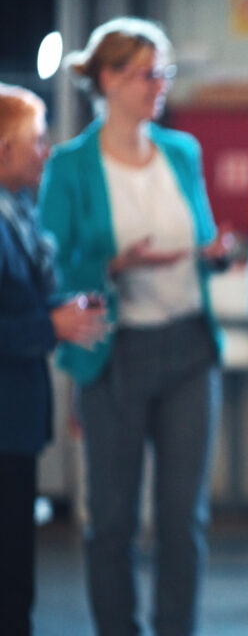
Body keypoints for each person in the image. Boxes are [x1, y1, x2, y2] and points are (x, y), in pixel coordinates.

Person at [38, 17, 228, 636]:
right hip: (113, 354)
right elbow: (53, 265)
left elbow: (199, 234)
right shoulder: (69, 165)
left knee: (183, 519)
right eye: (150, 74)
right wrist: (114, 264)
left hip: (188, 346)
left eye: (165, 72)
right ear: (110, 79)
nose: (161, 85)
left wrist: (213, 252)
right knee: (112, 520)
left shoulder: (182, 151)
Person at [0, 83, 107, 636]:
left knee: (16, 573)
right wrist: (50, 326)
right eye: (36, 140)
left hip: (15, 428)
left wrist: (61, 309)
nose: (46, 150)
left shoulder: (16, 214)